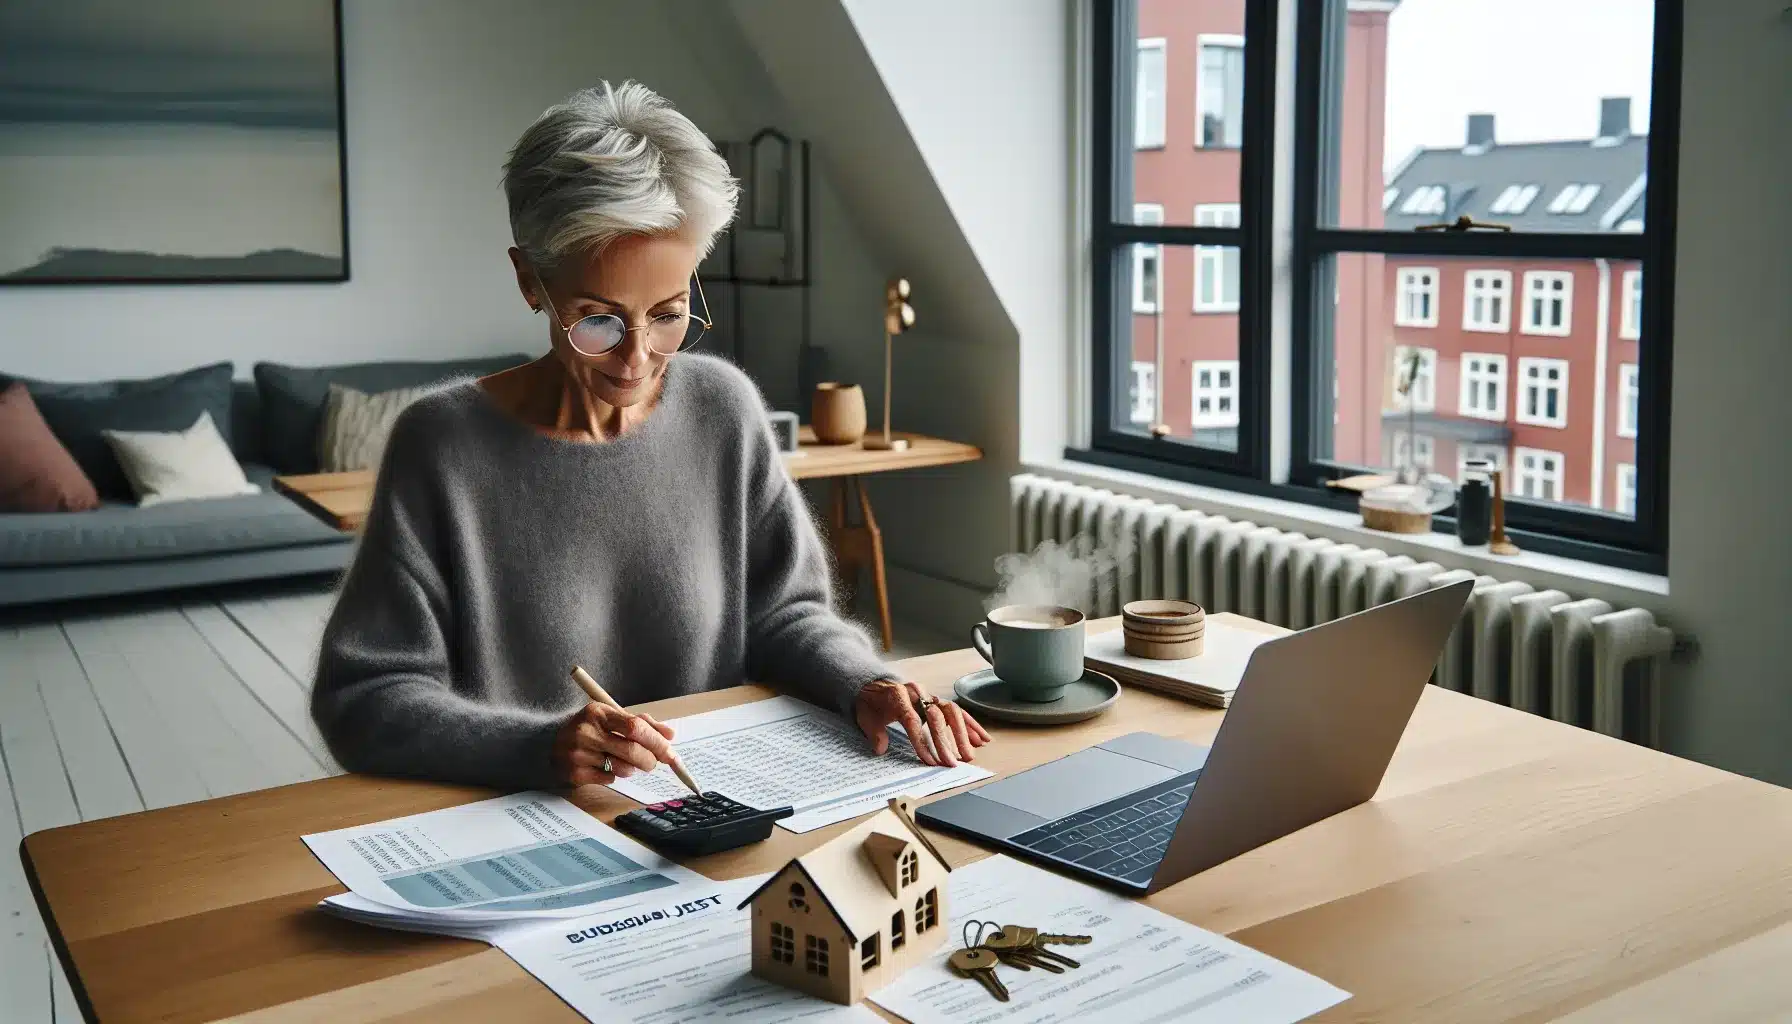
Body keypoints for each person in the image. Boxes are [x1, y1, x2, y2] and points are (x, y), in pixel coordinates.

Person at [310, 82, 990, 791]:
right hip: (528, 831)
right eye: (598, 320)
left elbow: (785, 613)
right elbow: (365, 698)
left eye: (668, 314)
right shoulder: (442, 447)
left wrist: (865, 683)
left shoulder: (723, 410)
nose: (636, 359)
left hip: (716, 810)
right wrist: (539, 748)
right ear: (529, 281)